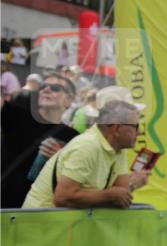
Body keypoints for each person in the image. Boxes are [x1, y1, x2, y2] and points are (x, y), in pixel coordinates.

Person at [22, 100, 149, 209]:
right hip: (38, 227)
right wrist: (110, 195)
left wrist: (127, 187)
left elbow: (121, 196)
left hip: (64, 228)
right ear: (116, 128)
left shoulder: (119, 148)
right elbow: (63, 198)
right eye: (136, 126)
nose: (139, 132)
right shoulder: (87, 146)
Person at [1, 72, 79, 208]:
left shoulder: (74, 137)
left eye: (55, 88)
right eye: (43, 86)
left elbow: (76, 180)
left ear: (68, 100)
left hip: (37, 211)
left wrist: (58, 159)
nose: (46, 90)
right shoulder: (17, 116)